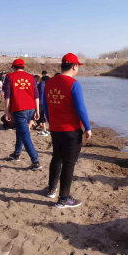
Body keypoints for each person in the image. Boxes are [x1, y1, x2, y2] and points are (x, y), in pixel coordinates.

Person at [43, 53, 91, 208]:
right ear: (74, 67)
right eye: (78, 67)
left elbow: (46, 106)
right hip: (71, 130)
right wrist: (87, 127)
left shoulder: (49, 82)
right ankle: (64, 199)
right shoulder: (74, 84)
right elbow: (81, 109)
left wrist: (52, 123)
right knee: (69, 164)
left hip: (55, 129)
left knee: (56, 158)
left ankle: (51, 189)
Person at [3, 58, 42, 171]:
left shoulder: (9, 77)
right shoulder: (31, 77)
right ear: (24, 67)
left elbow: (7, 96)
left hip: (19, 109)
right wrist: (37, 110)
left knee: (25, 135)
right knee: (20, 131)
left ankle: (35, 161)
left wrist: (6, 111)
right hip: (31, 108)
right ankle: (17, 153)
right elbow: (36, 95)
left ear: (13, 67)